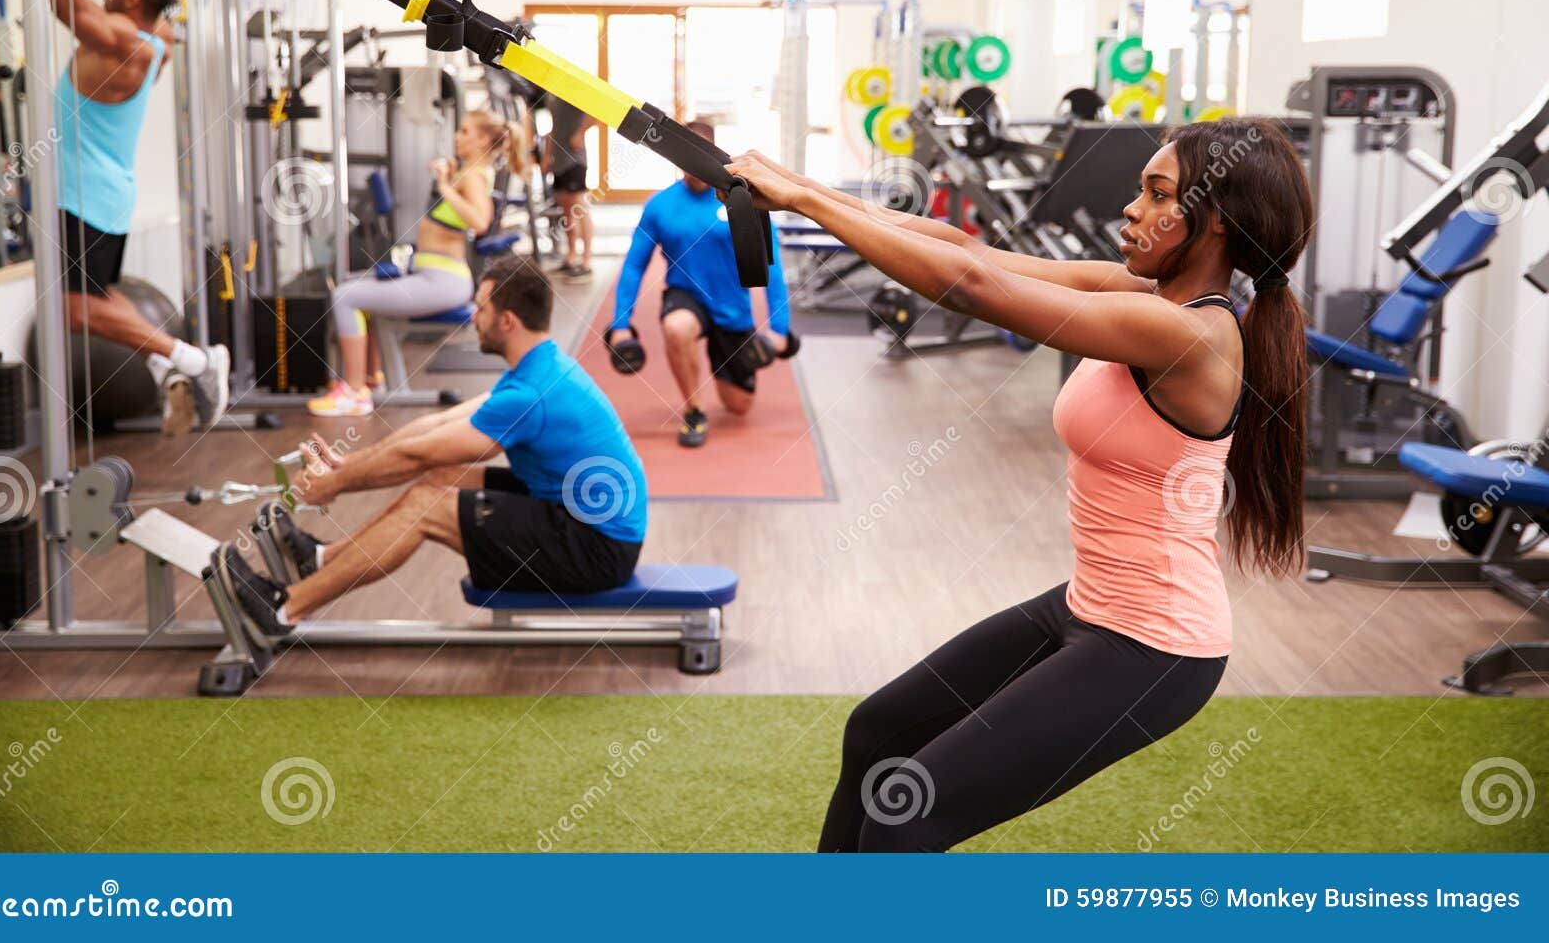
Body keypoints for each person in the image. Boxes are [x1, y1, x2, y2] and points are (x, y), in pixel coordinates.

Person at [726, 117, 1312, 852]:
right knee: (876, 734)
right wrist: (801, 187)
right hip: (1089, 607)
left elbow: (969, 285)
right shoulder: (1145, 296)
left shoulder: (1190, 336)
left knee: (908, 812)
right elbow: (968, 249)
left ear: (1216, 222)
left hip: (1157, 646)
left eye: (1155, 193)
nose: (1130, 209)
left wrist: (808, 204)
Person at [222, 255, 646, 632]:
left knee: (428, 507)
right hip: (576, 516)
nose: (473, 318)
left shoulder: (529, 394)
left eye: (481, 309)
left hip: (595, 548)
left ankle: (284, 609)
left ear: (508, 321)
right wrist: (345, 466)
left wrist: (338, 482)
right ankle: (322, 561)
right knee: (445, 477)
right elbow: (437, 426)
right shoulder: (539, 366)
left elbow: (417, 454)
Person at [45, 0, 230, 434]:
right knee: (99, 298)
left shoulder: (129, 44)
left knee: (73, 310)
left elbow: (65, 3)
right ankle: (158, 360)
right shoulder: (157, 36)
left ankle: (193, 360)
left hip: (85, 194)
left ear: (130, 1)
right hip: (102, 193)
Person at [308, 108, 525, 417]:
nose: (456, 136)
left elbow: (479, 221)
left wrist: (445, 186)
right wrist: (448, 178)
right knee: (356, 289)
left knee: (345, 296)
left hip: (442, 282)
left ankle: (354, 393)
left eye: (464, 131)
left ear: (481, 140)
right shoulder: (470, 172)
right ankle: (371, 380)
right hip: (435, 276)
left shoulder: (475, 177)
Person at [608, 120, 792, 447]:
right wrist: (621, 325)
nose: (691, 167)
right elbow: (635, 265)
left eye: (698, 157)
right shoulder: (660, 205)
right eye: (684, 158)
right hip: (685, 296)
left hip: (732, 309)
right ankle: (694, 410)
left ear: (712, 155)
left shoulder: (740, 200)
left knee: (738, 406)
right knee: (677, 328)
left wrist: (779, 332)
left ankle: (718, 365)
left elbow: (772, 266)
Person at [536, 91, 596, 278]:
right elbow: (553, 128)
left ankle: (586, 260)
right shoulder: (553, 96)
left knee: (579, 207)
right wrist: (547, 156)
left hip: (575, 160)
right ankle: (571, 257)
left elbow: (595, 113)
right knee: (566, 210)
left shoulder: (574, 91)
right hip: (559, 160)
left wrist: (580, 133)